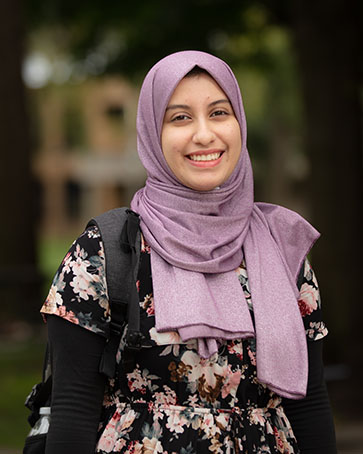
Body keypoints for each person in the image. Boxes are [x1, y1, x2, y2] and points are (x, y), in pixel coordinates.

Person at [40, 50, 337, 453]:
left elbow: (310, 404)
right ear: (151, 132)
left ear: (239, 125)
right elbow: (72, 410)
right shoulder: (106, 252)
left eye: (219, 113)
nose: (204, 135)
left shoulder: (282, 249)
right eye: (180, 117)